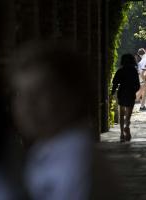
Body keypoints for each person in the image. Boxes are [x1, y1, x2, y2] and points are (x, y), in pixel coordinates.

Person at [6, 40, 95, 200]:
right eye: (20, 95)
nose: (26, 106)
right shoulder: (47, 150)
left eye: (39, 94)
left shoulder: (75, 164)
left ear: (72, 96)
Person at [111, 54, 140, 142]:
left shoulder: (120, 70)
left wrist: (112, 93)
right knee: (128, 114)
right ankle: (127, 127)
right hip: (130, 93)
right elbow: (137, 85)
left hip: (122, 93)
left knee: (121, 114)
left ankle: (121, 134)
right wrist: (134, 90)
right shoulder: (134, 71)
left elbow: (114, 82)